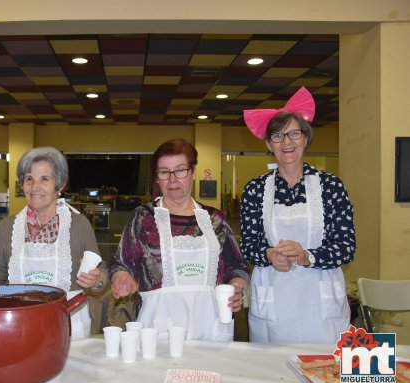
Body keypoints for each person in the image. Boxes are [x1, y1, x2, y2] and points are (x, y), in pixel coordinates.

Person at [240, 87, 356, 344]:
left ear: (306, 138)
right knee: (272, 375)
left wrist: (307, 256)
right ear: (269, 144)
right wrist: (268, 255)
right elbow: (248, 245)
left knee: (326, 371)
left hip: (320, 303)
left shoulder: (331, 186)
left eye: (294, 133)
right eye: (278, 136)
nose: (287, 142)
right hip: (274, 300)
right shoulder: (255, 189)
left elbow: (346, 248)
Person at [109, 138, 249, 341]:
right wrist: (122, 278)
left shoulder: (214, 219)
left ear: (192, 173)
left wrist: (237, 289)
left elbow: (237, 267)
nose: (173, 179)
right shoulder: (143, 217)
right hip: (157, 329)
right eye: (164, 172)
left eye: (180, 170)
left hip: (210, 326)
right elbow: (121, 264)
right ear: (157, 178)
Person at [0, 147, 106, 338]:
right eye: (29, 179)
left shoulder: (79, 225)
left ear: (60, 184)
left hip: (69, 326)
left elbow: (102, 274)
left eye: (44, 179)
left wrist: (97, 280)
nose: (35, 187)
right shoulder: (8, 228)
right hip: (21, 325)